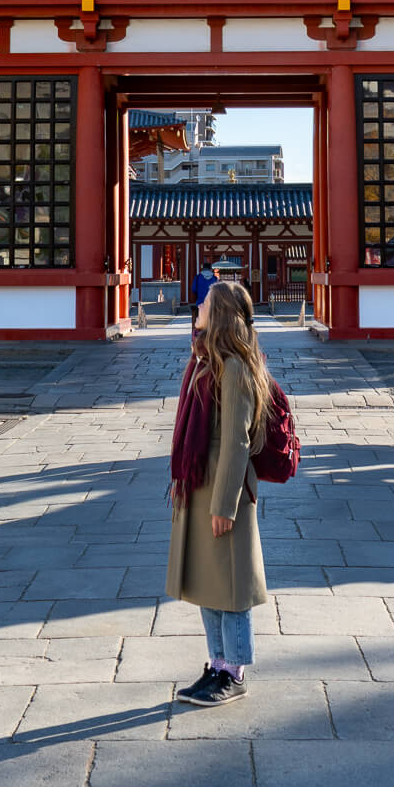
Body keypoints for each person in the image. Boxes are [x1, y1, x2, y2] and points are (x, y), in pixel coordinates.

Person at [166, 279, 270, 706]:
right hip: (200, 482)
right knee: (209, 583)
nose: (199, 304)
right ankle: (216, 663)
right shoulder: (206, 359)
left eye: (206, 301)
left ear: (222, 311)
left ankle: (236, 670)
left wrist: (225, 504)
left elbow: (236, 442)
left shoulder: (237, 368)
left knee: (231, 585)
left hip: (223, 486)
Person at [191, 257, 218, 332]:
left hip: (200, 303)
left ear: (203, 269)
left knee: (199, 323)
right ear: (210, 269)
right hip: (212, 304)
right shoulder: (215, 278)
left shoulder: (198, 277)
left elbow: (193, 289)